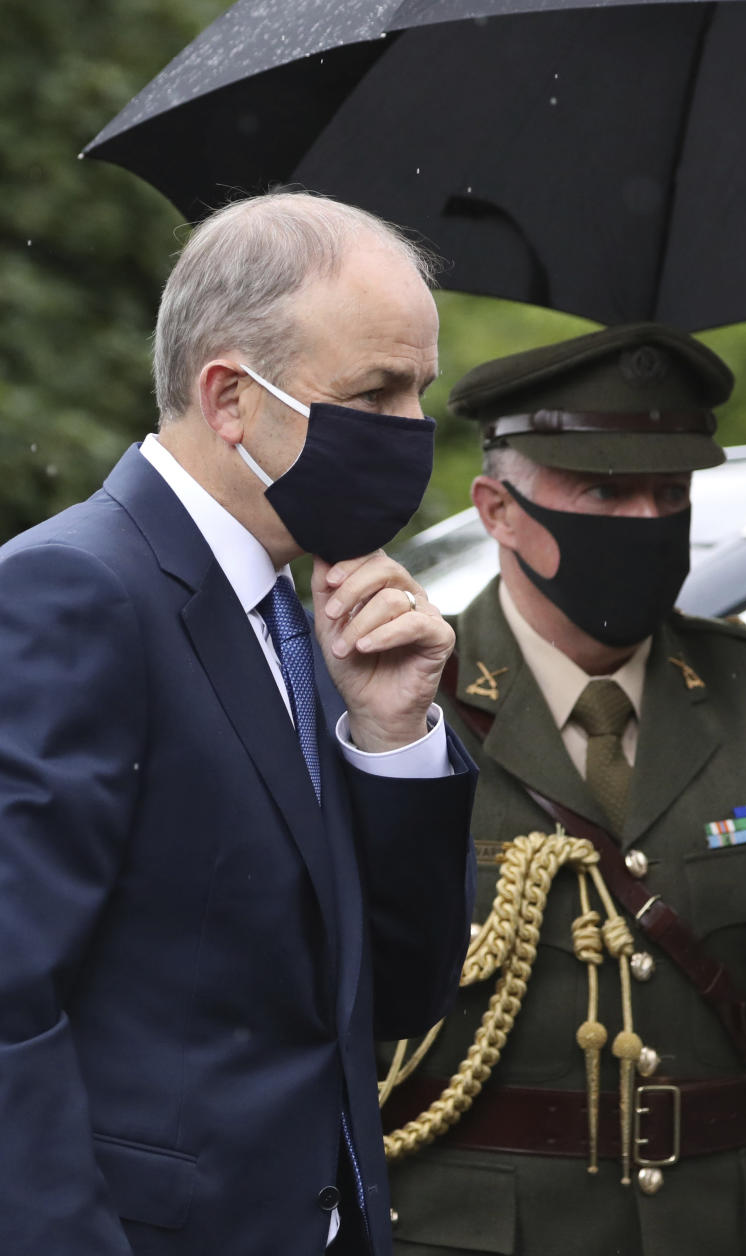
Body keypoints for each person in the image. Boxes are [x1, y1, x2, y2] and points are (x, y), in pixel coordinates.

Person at [380, 324, 746, 1256]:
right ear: (497, 508)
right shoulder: (398, 701)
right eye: (604, 490)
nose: (647, 523)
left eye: (671, 491)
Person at [0, 191, 477, 1256]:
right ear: (229, 398)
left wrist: (394, 740)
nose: (412, 433)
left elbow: (392, 993)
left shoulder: (296, 609)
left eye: (420, 391)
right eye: (375, 391)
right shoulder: (75, 592)